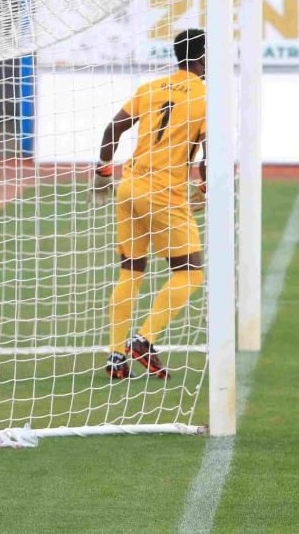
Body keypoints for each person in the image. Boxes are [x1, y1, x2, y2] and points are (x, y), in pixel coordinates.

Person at [92, 29, 208, 380]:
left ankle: (115, 355)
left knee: (131, 270)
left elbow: (114, 128)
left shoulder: (151, 88)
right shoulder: (206, 97)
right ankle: (144, 340)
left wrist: (103, 172)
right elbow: (209, 152)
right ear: (205, 57)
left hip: (129, 187)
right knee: (190, 271)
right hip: (164, 193)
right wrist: (204, 188)